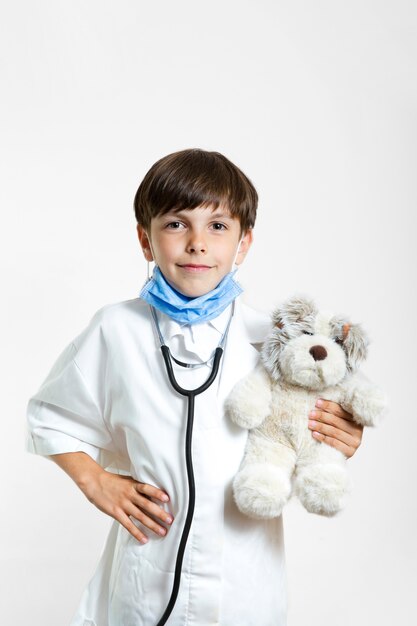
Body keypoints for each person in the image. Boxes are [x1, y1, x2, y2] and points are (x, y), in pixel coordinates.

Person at [26, 148, 363, 626]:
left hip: (245, 585)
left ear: (244, 243)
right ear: (146, 240)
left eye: (219, 227)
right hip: (147, 581)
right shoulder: (116, 330)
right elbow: (49, 416)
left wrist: (343, 434)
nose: (197, 243)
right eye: (176, 224)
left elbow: (313, 429)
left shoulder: (276, 343)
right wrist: (95, 481)